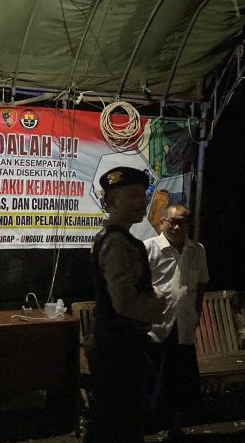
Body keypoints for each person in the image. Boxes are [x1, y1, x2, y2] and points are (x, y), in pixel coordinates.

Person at [86, 166, 167, 443]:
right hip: (118, 347)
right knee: (119, 424)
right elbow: (124, 303)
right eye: (132, 195)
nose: (141, 202)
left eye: (143, 195)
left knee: (113, 421)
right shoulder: (117, 242)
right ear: (111, 201)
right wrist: (158, 301)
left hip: (118, 344)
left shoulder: (117, 238)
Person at [144, 203, 209, 441]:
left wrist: (196, 312)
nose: (177, 227)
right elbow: (139, 287)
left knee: (180, 383)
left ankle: (175, 429)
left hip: (183, 326)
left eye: (182, 222)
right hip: (156, 327)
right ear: (163, 223)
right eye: (172, 222)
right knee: (152, 383)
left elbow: (200, 284)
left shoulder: (197, 250)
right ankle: (148, 430)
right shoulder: (149, 248)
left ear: (189, 224)